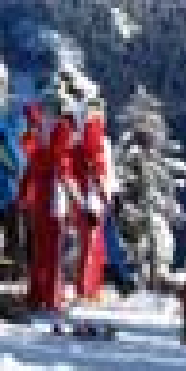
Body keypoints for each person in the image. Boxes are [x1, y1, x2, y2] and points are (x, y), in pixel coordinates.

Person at [24, 112, 79, 311]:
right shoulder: (60, 154)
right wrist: (77, 201)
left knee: (40, 252)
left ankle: (36, 295)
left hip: (39, 203)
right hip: (54, 205)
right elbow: (65, 177)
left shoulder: (40, 150)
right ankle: (52, 298)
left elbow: (30, 163)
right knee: (54, 254)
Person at [72, 107, 114, 301]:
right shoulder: (91, 149)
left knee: (92, 246)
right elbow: (95, 177)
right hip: (91, 203)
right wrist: (102, 199)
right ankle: (85, 289)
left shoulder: (83, 147)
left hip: (89, 202)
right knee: (89, 247)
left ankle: (90, 287)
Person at [0, 105, 28, 280]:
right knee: (14, 236)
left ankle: (8, 271)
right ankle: (12, 273)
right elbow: (18, 167)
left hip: (1, 195)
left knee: (9, 235)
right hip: (10, 194)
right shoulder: (8, 141)